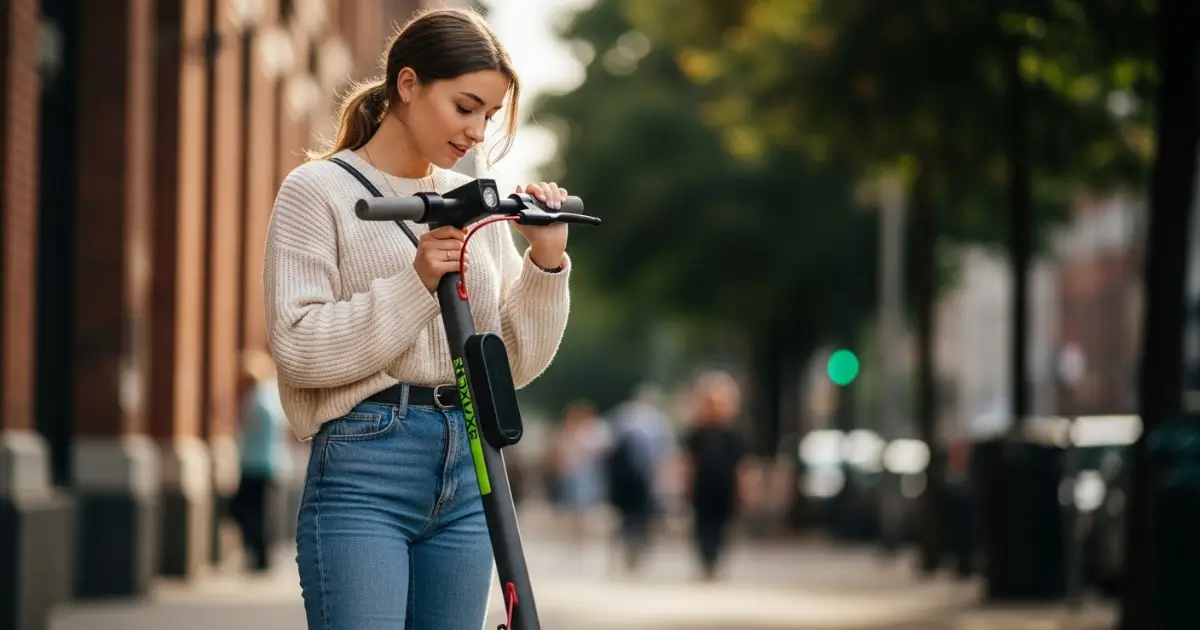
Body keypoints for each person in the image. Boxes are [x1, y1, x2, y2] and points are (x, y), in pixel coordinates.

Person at [262, 9, 574, 629]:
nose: (478, 131)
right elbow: (298, 348)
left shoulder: (473, 204)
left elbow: (510, 362)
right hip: (364, 468)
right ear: (408, 84)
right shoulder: (317, 191)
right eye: (466, 107)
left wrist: (546, 259)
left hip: (471, 466)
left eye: (489, 114)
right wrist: (415, 284)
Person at [680, 370, 748, 581]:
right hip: (702, 487)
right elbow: (688, 464)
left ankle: (715, 561)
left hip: (724, 487)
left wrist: (742, 490)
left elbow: (741, 467)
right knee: (702, 525)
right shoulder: (695, 434)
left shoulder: (732, 436)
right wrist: (686, 486)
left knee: (721, 526)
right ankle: (705, 561)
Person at [230, 350, 292, 572]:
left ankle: (260, 556)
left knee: (254, 513)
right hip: (272, 464)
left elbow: (251, 427)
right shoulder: (272, 396)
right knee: (266, 514)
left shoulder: (257, 399)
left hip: (258, 465)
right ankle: (263, 556)